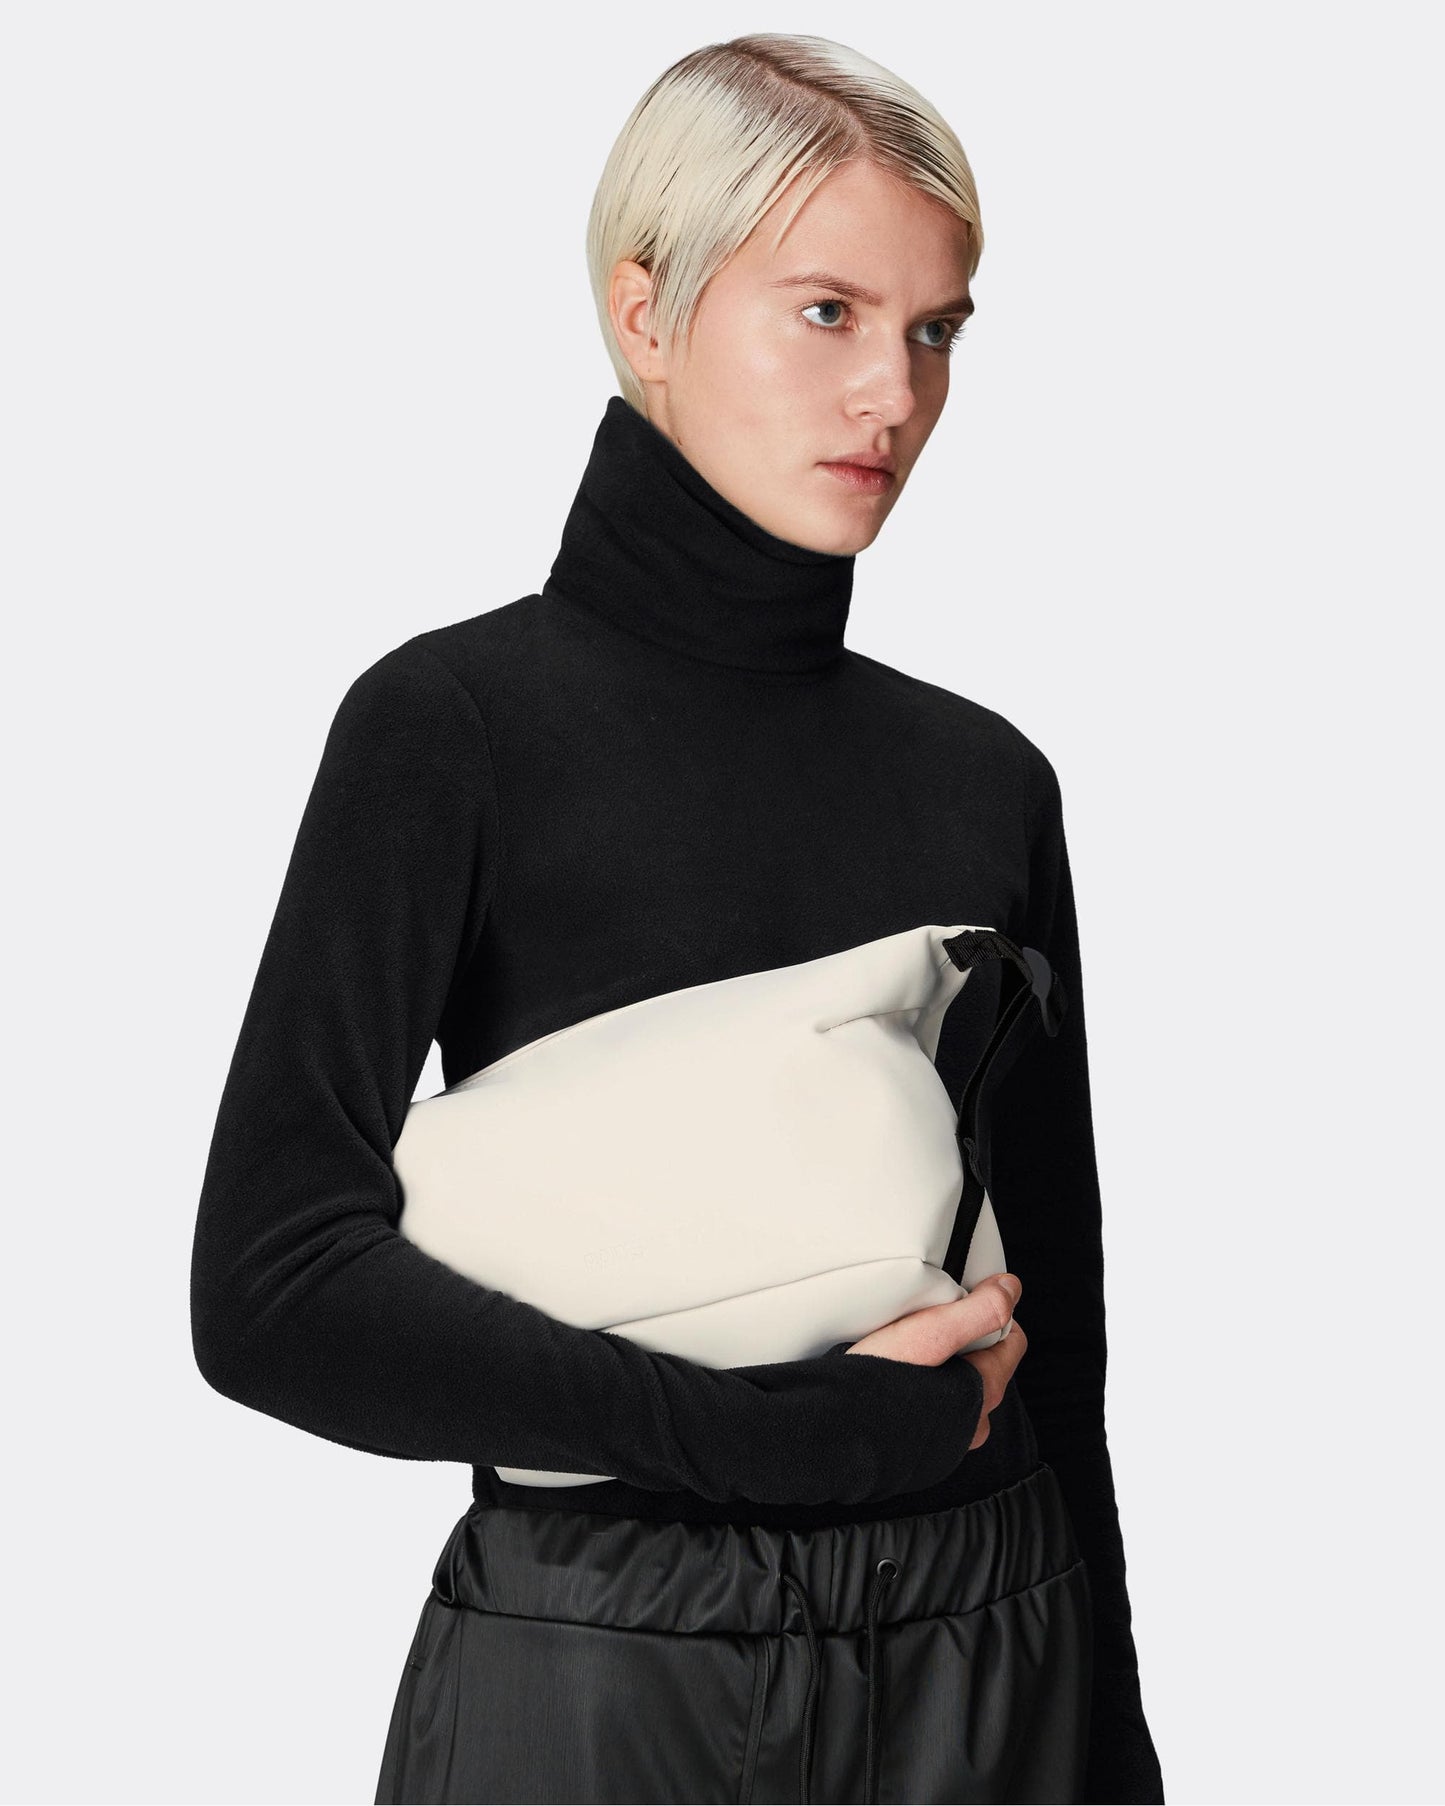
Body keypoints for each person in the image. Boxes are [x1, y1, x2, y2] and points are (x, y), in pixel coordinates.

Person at [190, 31, 1164, 1805]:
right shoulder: (451, 727)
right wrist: (776, 1442)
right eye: (826, 312)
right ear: (643, 310)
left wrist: (1111, 1741)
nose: (890, 394)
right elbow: (271, 1289)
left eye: (933, 331)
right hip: (605, 1661)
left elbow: (1062, 1325)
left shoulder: (985, 779)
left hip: (992, 1637)